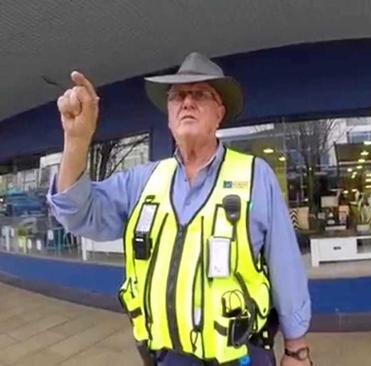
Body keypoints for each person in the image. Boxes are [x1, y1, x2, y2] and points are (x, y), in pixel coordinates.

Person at [48, 52, 312, 366]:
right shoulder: (142, 181)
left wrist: (297, 350)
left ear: (219, 113)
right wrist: (76, 140)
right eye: (177, 97)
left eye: (200, 94)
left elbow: (285, 265)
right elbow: (78, 214)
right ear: (170, 116)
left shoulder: (256, 176)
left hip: (241, 354)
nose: (187, 102)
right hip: (168, 356)